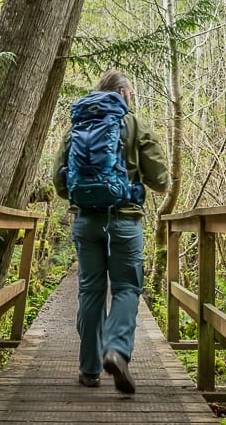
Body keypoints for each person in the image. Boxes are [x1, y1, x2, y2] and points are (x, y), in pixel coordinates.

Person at [52, 71, 169, 393]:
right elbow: (160, 181)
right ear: (123, 92)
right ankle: (116, 350)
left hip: (86, 221)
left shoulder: (76, 125)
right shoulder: (135, 125)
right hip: (125, 221)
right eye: (130, 92)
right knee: (127, 288)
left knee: (90, 291)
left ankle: (89, 370)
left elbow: (60, 184)